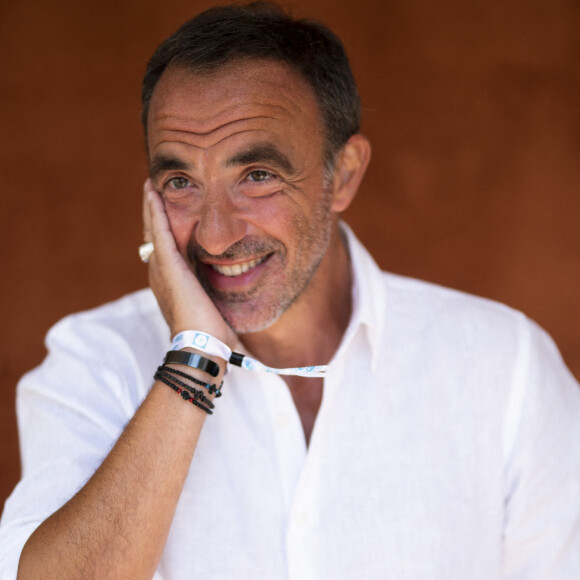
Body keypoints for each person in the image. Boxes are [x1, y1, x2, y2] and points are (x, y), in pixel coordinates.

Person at [1, 2, 580, 578]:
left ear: (344, 175)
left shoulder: (507, 367)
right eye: (180, 181)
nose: (216, 235)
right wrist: (195, 356)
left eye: (257, 176)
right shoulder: (95, 360)